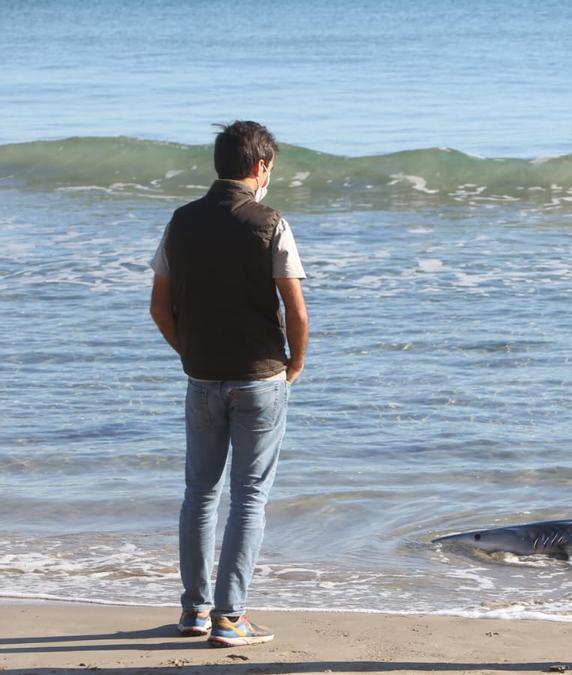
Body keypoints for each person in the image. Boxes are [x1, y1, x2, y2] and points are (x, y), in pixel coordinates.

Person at [149, 120, 309, 648]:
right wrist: (295, 364)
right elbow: (296, 309)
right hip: (259, 377)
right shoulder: (269, 221)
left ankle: (194, 611)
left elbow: (159, 305)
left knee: (199, 494)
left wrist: (189, 352)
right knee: (248, 499)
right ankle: (230, 616)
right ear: (261, 167)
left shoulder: (182, 221)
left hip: (202, 376)